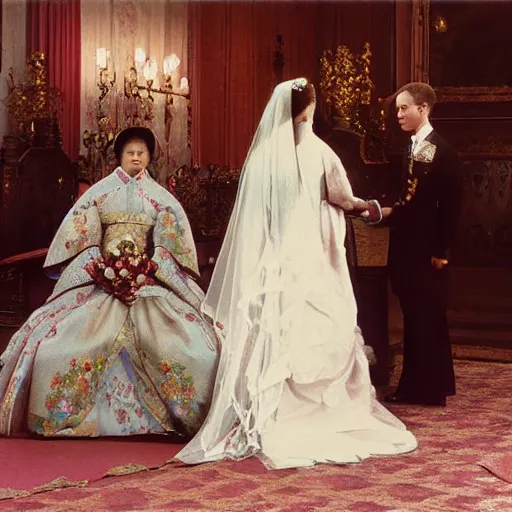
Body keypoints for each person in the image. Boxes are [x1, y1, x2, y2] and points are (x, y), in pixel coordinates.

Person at [175, 78, 417, 470]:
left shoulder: (262, 156)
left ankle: (267, 408)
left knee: (273, 326)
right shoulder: (320, 152)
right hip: (312, 253)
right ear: (308, 109)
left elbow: (253, 217)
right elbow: (341, 197)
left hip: (272, 256)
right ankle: (322, 411)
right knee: (322, 322)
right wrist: (369, 207)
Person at [0, 127, 220, 437]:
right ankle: (77, 417)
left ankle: (171, 420)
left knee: (188, 348)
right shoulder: (98, 195)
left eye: (141, 153)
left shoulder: (161, 199)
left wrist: (145, 268)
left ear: (149, 157)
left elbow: (169, 247)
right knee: (57, 345)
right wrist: (102, 269)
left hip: (147, 281)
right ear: (118, 156)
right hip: (102, 279)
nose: (135, 157)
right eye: (129, 152)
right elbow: (83, 240)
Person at [382, 82, 463, 407]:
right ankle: (419, 386)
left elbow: (452, 206)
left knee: (427, 317)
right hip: (409, 249)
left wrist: (440, 252)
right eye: (398, 109)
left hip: (427, 252)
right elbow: (410, 201)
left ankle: (427, 389)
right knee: (415, 317)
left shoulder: (441, 151)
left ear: (423, 108)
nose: (398, 114)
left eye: (404, 108)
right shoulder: (414, 146)